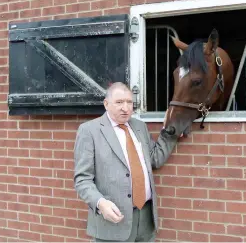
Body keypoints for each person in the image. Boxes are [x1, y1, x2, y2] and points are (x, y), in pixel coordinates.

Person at [73, 82, 180, 242]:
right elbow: (82, 180)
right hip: (113, 221)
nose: (126, 108)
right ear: (106, 104)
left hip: (146, 218)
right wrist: (100, 203)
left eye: (129, 102)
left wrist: (171, 130)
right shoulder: (89, 131)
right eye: (119, 102)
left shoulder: (139, 127)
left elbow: (155, 159)